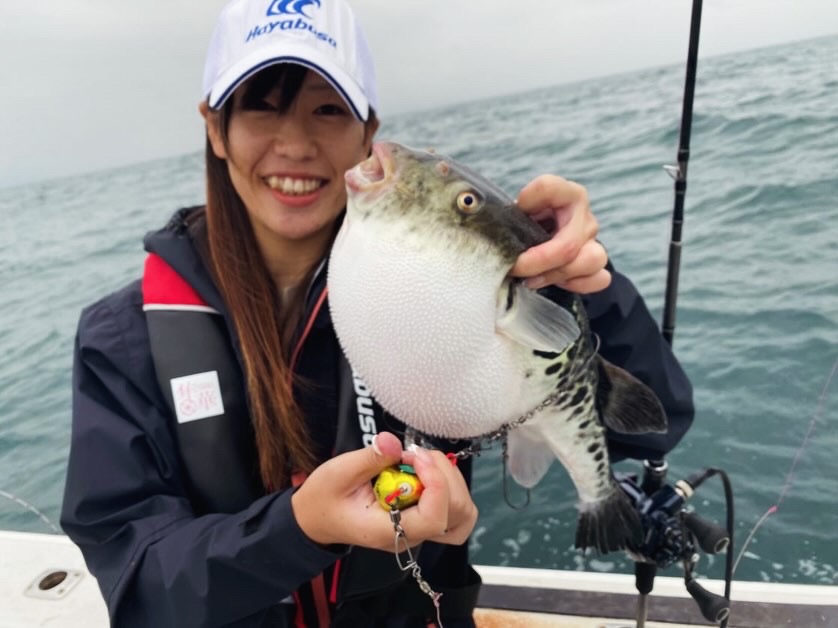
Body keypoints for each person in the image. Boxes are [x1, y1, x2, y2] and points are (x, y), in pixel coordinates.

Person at [60, 0, 694, 626]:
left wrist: (577, 279)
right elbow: (137, 587)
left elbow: (653, 429)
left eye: (327, 109)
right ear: (214, 127)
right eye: (261, 105)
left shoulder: (451, 282)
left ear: (368, 132)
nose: (295, 144)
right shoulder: (124, 338)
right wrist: (299, 529)